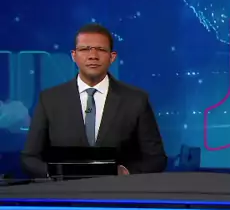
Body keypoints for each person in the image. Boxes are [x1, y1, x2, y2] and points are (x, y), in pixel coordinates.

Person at [21, 23, 168, 178]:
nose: (93, 56)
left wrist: (125, 172)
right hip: (64, 190)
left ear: (112, 57)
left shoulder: (136, 100)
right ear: (74, 56)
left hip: (117, 190)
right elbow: (29, 158)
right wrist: (56, 173)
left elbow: (156, 159)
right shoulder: (50, 99)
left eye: (101, 49)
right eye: (85, 49)